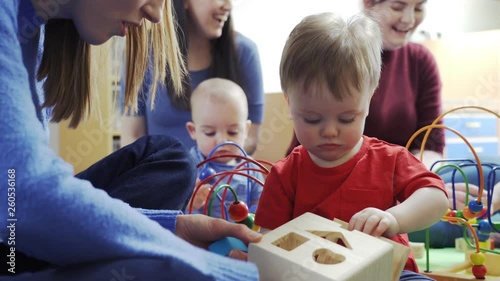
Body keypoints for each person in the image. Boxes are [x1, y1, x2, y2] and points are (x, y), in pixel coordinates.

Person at [0, 0, 262, 280]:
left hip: (16, 240)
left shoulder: (39, 35)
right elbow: (23, 195)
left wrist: (170, 228)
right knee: (147, 268)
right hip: (12, 247)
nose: (157, 15)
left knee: (172, 157)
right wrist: (213, 269)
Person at [283, 0, 500, 248]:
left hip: (400, 175)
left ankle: (488, 208)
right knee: (439, 224)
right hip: (366, 196)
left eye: (418, 7)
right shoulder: (333, 60)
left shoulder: (420, 60)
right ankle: (482, 217)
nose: (408, 19)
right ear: (368, 3)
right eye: (398, 7)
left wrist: (418, 187)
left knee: (492, 168)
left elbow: (431, 142)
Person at [254, 12, 449, 279]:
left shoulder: (390, 159)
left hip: (389, 274)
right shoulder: (285, 174)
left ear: (368, 100)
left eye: (347, 118)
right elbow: (269, 243)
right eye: (312, 119)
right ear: (289, 105)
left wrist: (394, 218)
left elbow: (436, 198)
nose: (330, 131)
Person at [120, 0, 264, 156]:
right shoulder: (142, 52)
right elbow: (132, 136)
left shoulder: (244, 52)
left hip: (221, 178)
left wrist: (213, 170)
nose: (228, 5)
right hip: (159, 176)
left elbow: (250, 138)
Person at [184, 78, 264, 218]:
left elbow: (262, 206)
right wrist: (191, 201)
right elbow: (174, 209)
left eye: (232, 132)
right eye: (210, 133)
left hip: (241, 237)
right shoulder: (188, 166)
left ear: (246, 130)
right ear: (193, 131)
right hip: (199, 238)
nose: (222, 141)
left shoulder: (251, 169)